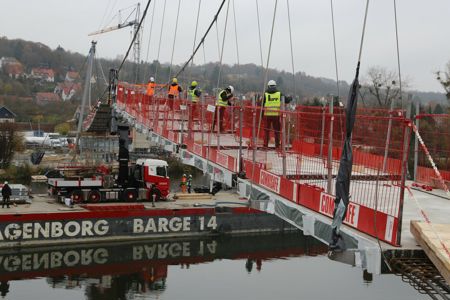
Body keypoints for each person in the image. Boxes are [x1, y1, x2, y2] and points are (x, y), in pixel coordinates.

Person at [263, 80, 286, 149]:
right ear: (275, 86)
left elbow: (261, 103)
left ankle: (265, 146)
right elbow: (286, 99)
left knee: (266, 131)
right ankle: (277, 146)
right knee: (277, 131)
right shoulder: (279, 94)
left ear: (268, 86)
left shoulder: (265, 94)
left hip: (267, 115)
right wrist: (290, 98)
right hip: (276, 115)